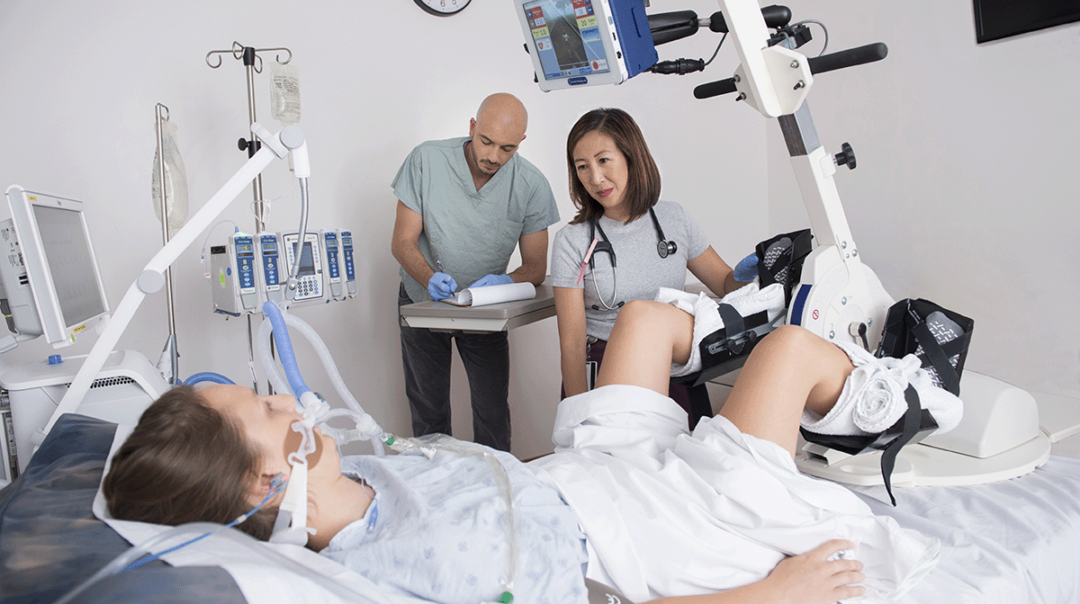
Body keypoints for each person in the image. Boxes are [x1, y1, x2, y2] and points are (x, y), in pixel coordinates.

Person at [104, 303, 908, 604]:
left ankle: (794, 363)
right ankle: (902, 399)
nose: (286, 398)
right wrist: (775, 594)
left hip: (584, 474)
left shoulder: (360, 477)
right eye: (265, 408)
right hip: (650, 528)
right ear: (268, 479)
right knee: (792, 348)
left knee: (642, 319)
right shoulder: (421, 562)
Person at [551, 108, 757, 428]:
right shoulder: (573, 241)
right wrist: (580, 418)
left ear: (632, 156)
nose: (595, 178)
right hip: (608, 369)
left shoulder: (675, 219)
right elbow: (573, 342)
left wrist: (748, 274)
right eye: (582, 167)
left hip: (674, 365)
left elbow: (725, 283)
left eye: (604, 160)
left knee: (677, 467)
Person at [390, 93, 560, 452]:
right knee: (428, 410)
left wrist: (504, 282)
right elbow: (402, 242)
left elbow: (535, 268)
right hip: (424, 301)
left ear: (521, 144)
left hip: (484, 310)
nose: (493, 157)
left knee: (492, 410)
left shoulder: (530, 185)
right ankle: (437, 492)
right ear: (472, 127)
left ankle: (497, 491)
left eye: (507, 149)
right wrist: (427, 277)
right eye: (486, 142)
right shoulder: (427, 160)